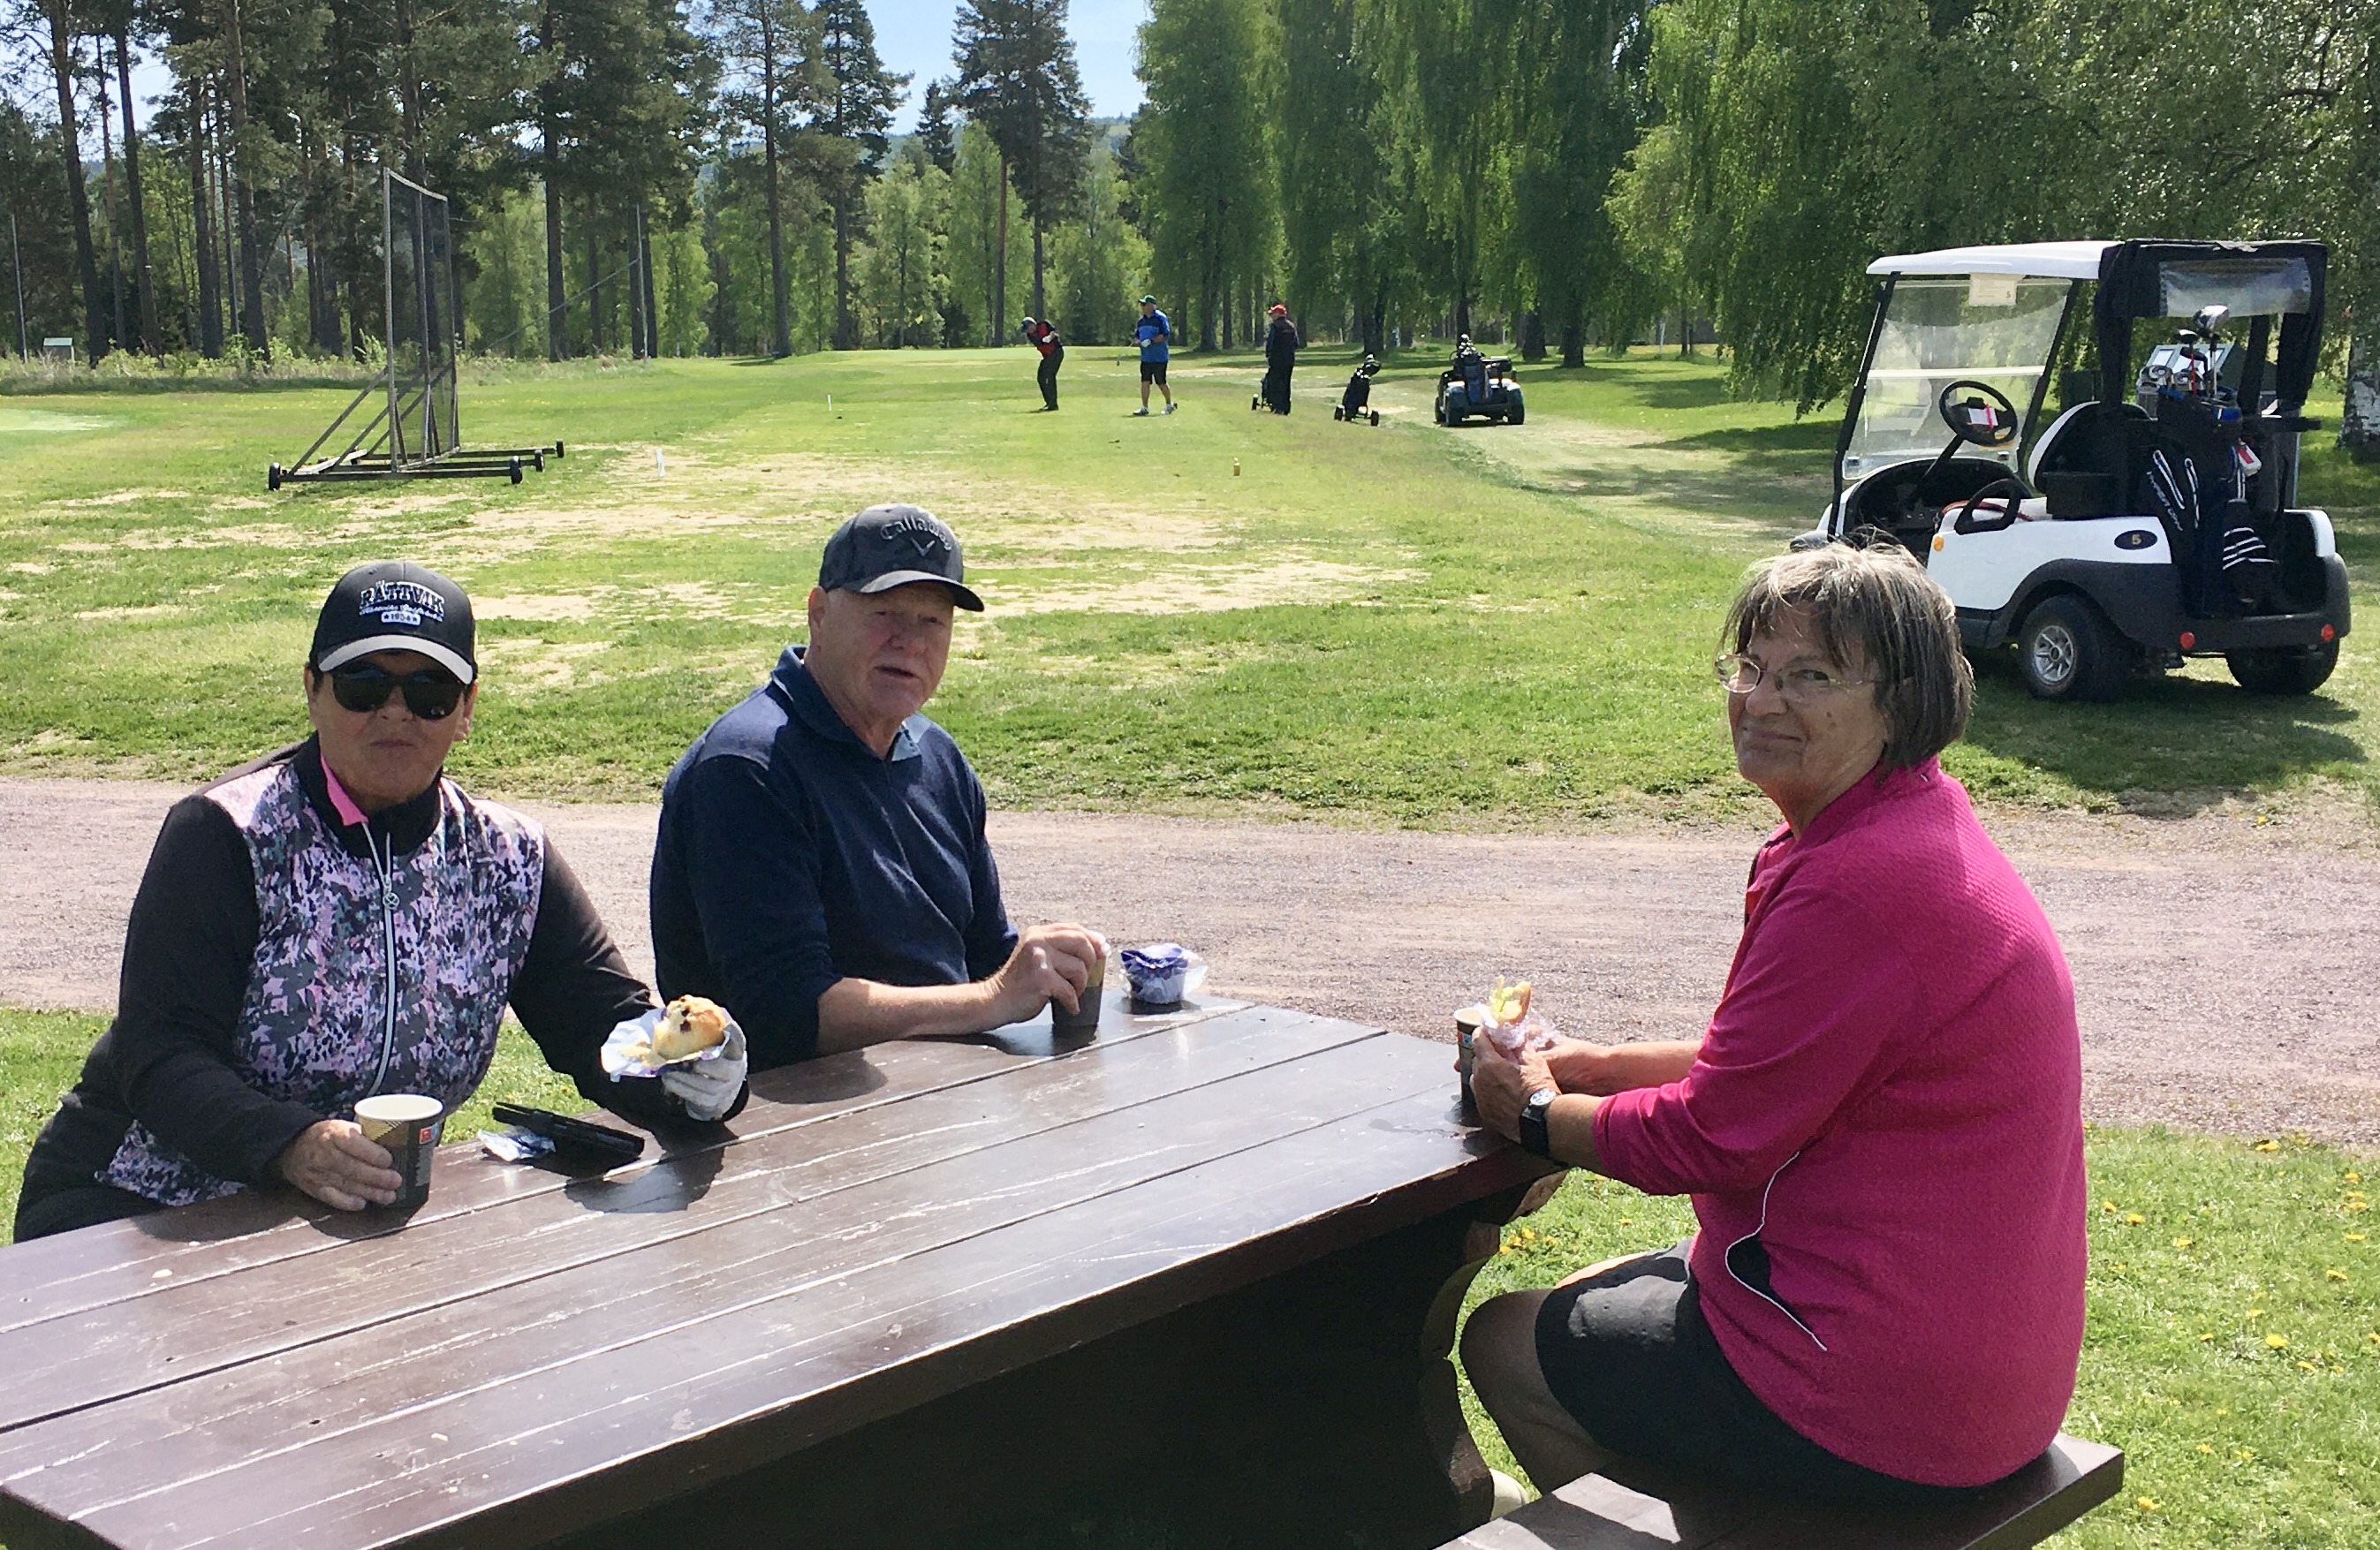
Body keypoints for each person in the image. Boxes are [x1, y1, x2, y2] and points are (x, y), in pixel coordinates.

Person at [1460, 541, 2086, 1507]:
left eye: (1811, 676)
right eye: (1750, 668)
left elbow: (1714, 1139)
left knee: (1504, 1339)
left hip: (1890, 1400)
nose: (1760, 700)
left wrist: (1534, 1113)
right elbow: (1771, 1067)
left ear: (1901, 702)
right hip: (1980, 1372)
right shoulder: (1904, 824)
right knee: (1605, 1287)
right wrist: (1593, 1064)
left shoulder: (1858, 886)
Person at [13, 563, 747, 1242]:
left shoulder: (507, 855)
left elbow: (600, 1025)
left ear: (466, 708)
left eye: (429, 693)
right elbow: (161, 1055)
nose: (395, 712)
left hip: (348, 1222)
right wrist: (290, 1145)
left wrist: (691, 1078)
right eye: (363, 686)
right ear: (312, 688)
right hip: (139, 1209)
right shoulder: (224, 834)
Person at [650, 504, 1106, 1070]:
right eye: (884, 611)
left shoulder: (938, 757)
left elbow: (986, 953)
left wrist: (1049, 964)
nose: (910, 642)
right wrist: (991, 999)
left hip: (948, 1106)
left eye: (933, 621)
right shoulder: (747, 768)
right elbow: (781, 1014)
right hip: (787, 1127)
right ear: (819, 613)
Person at [1133, 296, 1176, 416]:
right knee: (1145, 382)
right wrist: (1138, 342)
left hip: (1159, 357)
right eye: (1142, 305)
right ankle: (1144, 408)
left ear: (1152, 306)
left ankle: (1169, 405)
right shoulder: (1141, 321)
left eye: (1145, 305)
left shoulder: (1160, 318)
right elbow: (1137, 336)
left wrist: (1150, 341)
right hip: (1146, 357)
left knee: (1161, 382)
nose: (1142, 307)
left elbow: (1165, 334)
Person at [1261, 303, 1298, 414]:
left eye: (1273, 314)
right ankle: (1286, 407)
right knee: (1286, 383)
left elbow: (1270, 342)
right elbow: (1296, 343)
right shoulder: (1291, 326)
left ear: (1278, 314)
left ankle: (1277, 407)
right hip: (1289, 359)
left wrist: (1268, 354)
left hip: (1276, 359)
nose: (1272, 316)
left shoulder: (1275, 326)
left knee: (1276, 382)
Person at [1020, 315, 1063, 411]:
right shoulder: (1031, 336)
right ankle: (1049, 402)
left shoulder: (1044, 324)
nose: (1027, 331)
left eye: (1027, 328)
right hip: (1048, 356)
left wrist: (1049, 337)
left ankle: (1052, 404)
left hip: (1056, 352)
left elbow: (1054, 333)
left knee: (1049, 376)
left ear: (1032, 325)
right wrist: (1045, 340)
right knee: (1041, 377)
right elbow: (1040, 343)